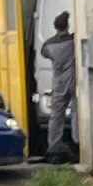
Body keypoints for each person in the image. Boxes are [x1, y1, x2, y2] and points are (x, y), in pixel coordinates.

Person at [36, 12, 77, 160]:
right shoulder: (73, 42)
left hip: (58, 83)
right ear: (68, 25)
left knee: (56, 115)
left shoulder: (49, 45)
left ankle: (53, 145)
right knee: (76, 112)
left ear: (55, 27)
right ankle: (77, 141)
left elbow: (43, 51)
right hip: (73, 81)